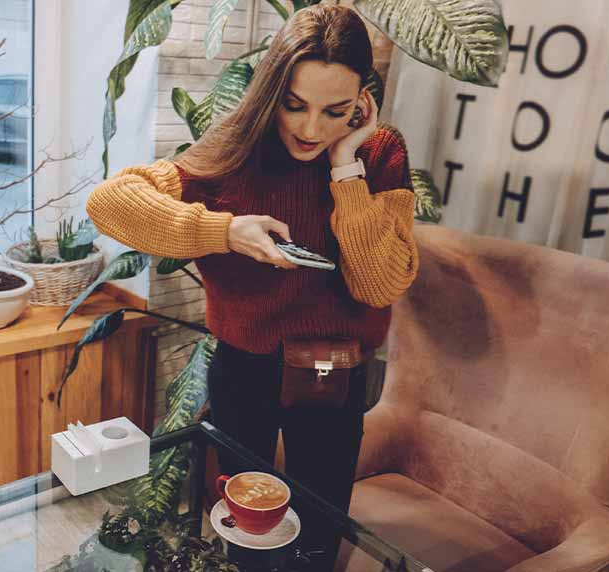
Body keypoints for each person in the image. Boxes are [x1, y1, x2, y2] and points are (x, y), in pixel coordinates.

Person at [87, 4, 418, 568]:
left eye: (335, 111)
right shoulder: (236, 148)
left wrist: (345, 168)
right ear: (272, 91)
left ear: (362, 99)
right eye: (294, 105)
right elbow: (110, 203)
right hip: (243, 365)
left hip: (332, 371)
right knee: (240, 526)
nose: (311, 128)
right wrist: (224, 230)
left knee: (317, 528)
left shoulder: (379, 153)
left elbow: (377, 283)